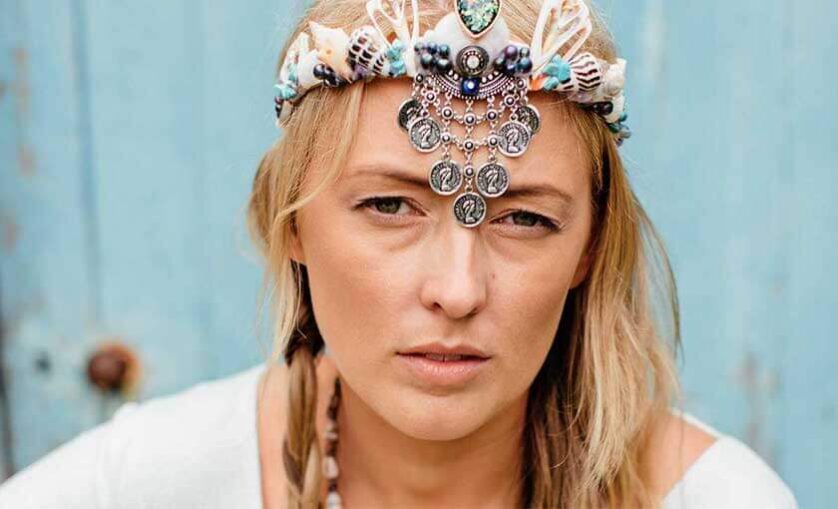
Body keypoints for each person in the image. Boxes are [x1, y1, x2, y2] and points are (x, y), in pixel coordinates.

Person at [0, 0, 798, 507]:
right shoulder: (142, 484)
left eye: (524, 219)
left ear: (590, 246)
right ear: (292, 224)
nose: (456, 290)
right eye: (389, 205)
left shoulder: (716, 498)